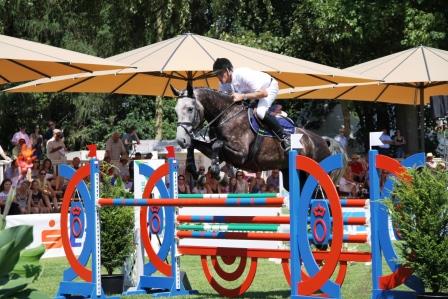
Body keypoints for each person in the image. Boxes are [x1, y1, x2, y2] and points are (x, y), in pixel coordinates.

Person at [212, 58, 290, 151]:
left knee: (260, 112)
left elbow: (263, 94)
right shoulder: (223, 85)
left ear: (228, 70)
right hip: (252, 95)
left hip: (268, 88)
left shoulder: (242, 74)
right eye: (217, 75)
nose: (219, 77)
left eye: (221, 73)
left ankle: (284, 136)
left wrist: (243, 96)